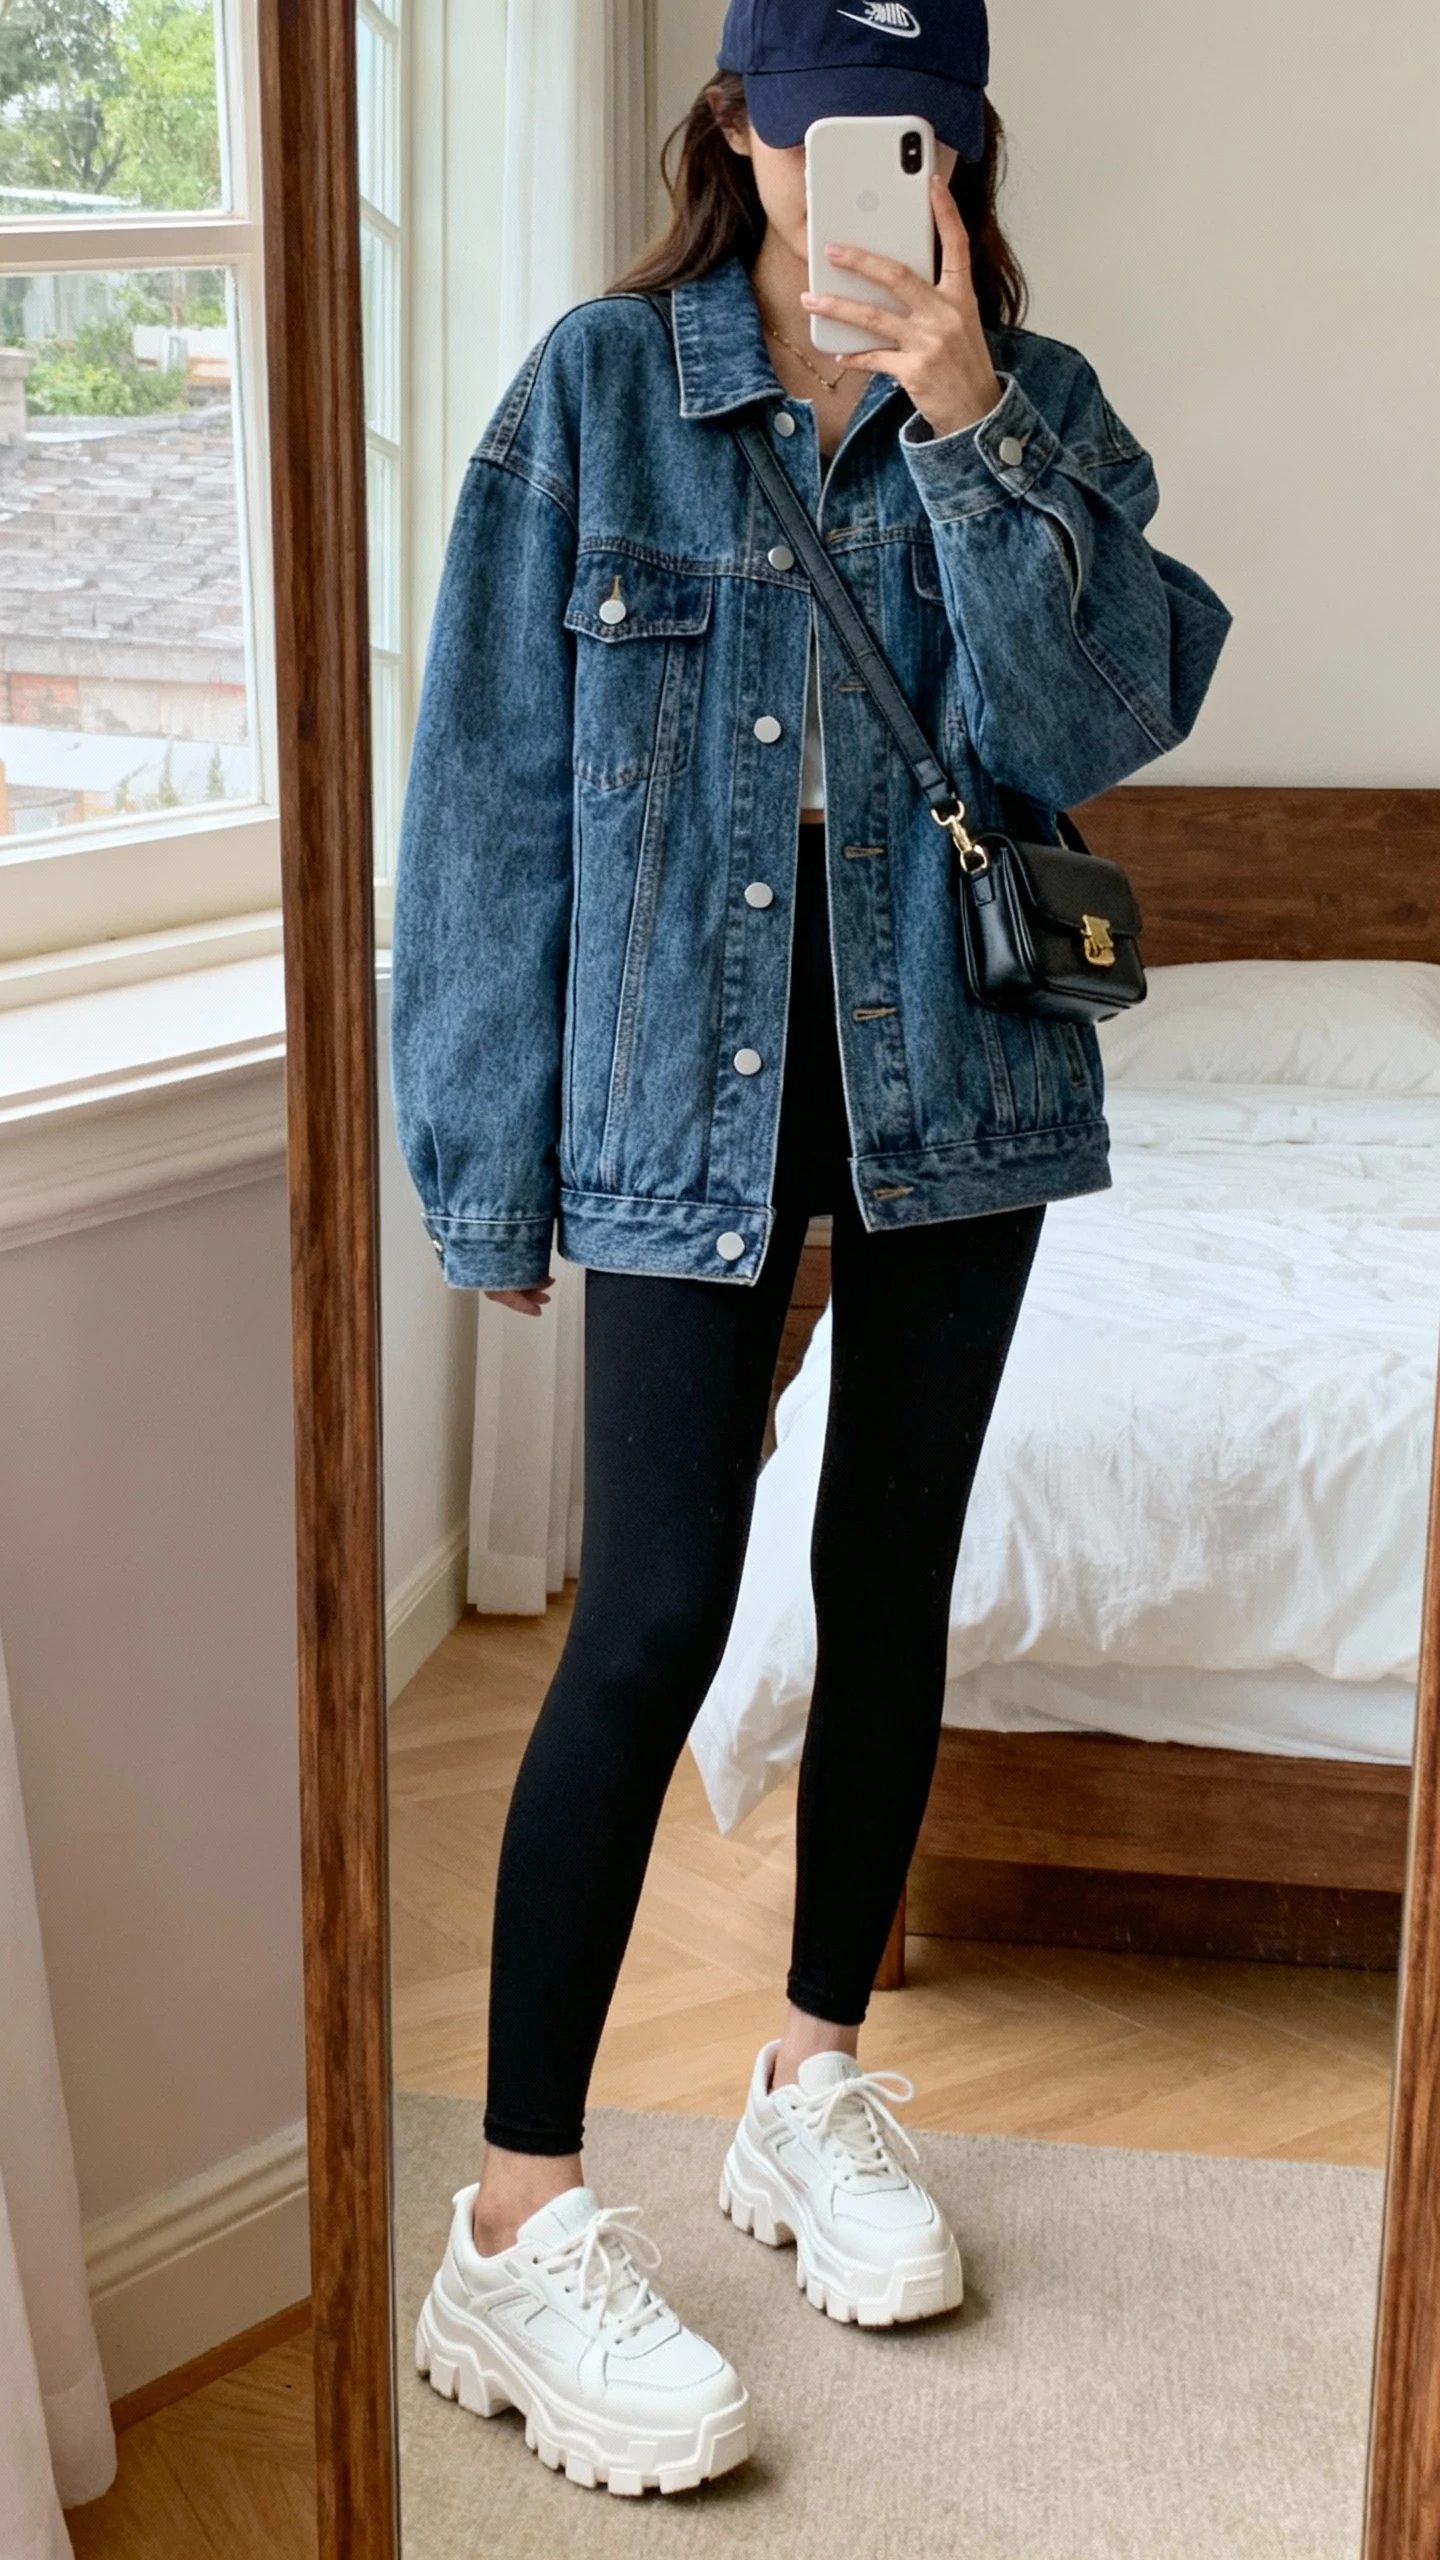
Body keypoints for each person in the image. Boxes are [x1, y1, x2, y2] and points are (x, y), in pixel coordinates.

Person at [391, 0, 1231, 2499]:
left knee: (892, 1575)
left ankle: (812, 2073)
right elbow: (486, 786)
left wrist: (973, 422)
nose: (854, 159)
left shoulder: (1040, 405)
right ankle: (519, 2210)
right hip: (674, 1107)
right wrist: (485, 1155)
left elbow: (1088, 714)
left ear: (955, 151)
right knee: (649, 1606)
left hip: (959, 1095)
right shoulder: (593, 392)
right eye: (814, 107)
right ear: (740, 121)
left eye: (914, 121)